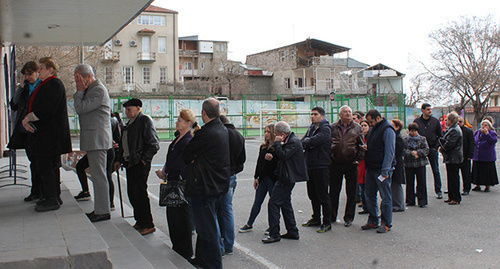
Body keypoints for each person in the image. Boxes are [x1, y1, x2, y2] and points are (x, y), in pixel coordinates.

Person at [182, 98, 230, 269]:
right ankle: (201, 259)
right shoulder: (222, 129)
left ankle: (214, 264)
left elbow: (187, 154)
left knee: (208, 230)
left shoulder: (206, 133)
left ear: (203, 113)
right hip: (217, 185)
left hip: (204, 186)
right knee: (205, 226)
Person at [21, 57, 72, 212]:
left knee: (46, 165)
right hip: (48, 134)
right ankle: (53, 196)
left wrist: (28, 118)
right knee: (50, 165)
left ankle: (51, 199)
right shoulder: (47, 84)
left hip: (50, 135)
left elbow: (47, 109)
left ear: (50, 69)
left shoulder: (54, 84)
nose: (39, 70)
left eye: (41, 67)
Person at [156, 109, 199, 261]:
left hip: (180, 184)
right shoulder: (178, 139)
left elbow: (182, 164)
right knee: (173, 218)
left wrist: (168, 173)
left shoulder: (187, 140)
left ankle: (185, 251)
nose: (176, 122)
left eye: (179, 120)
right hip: (173, 182)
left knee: (181, 219)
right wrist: (164, 171)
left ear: (188, 123)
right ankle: (177, 247)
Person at [73, 64, 113, 222]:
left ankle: (103, 211)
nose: (77, 82)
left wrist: (79, 90)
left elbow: (80, 108)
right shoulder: (93, 89)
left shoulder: (98, 89)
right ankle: (100, 209)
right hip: (94, 140)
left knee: (99, 176)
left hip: (97, 140)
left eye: (79, 78)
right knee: (97, 175)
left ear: (88, 76)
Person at [115, 98, 159, 235]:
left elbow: (153, 145)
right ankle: (139, 221)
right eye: (126, 110)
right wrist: (119, 159)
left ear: (138, 109)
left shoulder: (144, 121)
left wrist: (143, 160)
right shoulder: (129, 124)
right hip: (130, 163)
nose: (127, 112)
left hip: (139, 164)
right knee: (132, 193)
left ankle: (148, 223)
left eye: (129, 109)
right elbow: (124, 144)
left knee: (140, 194)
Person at [262, 121, 308, 243]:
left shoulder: (293, 141)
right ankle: (292, 230)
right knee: (285, 203)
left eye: (276, 134)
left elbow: (283, 155)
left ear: (282, 134)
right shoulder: (290, 140)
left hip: (287, 177)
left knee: (273, 203)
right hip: (285, 175)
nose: (275, 136)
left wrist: (277, 143)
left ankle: (274, 233)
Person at [8, 61, 42, 202]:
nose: (28, 77)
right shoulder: (25, 88)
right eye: (25, 75)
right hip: (25, 130)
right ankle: (35, 191)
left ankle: (41, 191)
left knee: (40, 162)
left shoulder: (42, 86)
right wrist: (20, 88)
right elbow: (14, 105)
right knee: (32, 161)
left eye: (30, 74)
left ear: (37, 72)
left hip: (38, 129)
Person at [74, 116, 121, 211]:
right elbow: (118, 138)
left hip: (103, 149)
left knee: (105, 176)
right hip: (102, 149)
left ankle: (109, 202)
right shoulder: (112, 120)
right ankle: (107, 201)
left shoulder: (104, 120)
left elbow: (117, 139)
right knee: (105, 175)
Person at [329, 105, 365, 227]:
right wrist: (330, 158)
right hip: (335, 164)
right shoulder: (333, 127)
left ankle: (349, 217)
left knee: (351, 192)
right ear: (340, 115)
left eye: (350, 112)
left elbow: (361, 145)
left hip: (351, 164)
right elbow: (328, 143)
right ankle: (332, 216)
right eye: (345, 112)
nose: (348, 114)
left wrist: (357, 160)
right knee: (334, 191)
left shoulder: (357, 127)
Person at [239, 123, 278, 233]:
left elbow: (280, 163)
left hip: (272, 178)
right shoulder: (263, 147)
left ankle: (273, 226)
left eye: (268, 132)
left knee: (273, 204)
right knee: (257, 201)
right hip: (263, 178)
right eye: (265, 131)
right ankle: (249, 223)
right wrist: (256, 177)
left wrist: (273, 159)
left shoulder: (277, 147)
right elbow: (259, 163)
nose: (266, 134)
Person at [362, 109, 395, 233]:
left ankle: (386, 223)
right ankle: (373, 220)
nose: (369, 125)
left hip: (382, 169)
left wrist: (385, 170)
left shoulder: (387, 129)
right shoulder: (373, 129)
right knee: (369, 195)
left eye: (371, 122)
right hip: (371, 167)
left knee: (385, 197)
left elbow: (390, 151)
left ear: (378, 118)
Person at [217, 115, 246, 255]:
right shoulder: (239, 136)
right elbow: (242, 160)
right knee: (227, 209)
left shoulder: (222, 135)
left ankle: (223, 243)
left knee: (219, 210)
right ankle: (228, 243)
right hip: (232, 175)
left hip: (221, 175)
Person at [300, 107, 332, 233]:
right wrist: (308, 143)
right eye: (311, 114)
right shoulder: (311, 128)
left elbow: (317, 140)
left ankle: (327, 222)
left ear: (322, 116)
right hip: (310, 165)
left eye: (315, 114)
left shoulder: (326, 128)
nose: (312, 116)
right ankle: (316, 218)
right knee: (312, 194)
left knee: (323, 195)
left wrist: (309, 142)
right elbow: (303, 141)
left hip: (322, 166)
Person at [414, 103, 444, 199]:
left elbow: (440, 135)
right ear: (422, 110)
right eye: (427, 109)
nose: (430, 111)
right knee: (419, 171)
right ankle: (419, 191)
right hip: (420, 149)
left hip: (432, 148)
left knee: (435, 170)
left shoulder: (435, 121)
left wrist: (436, 147)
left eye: (430, 109)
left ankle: (438, 190)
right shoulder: (417, 121)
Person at [403, 123, 429, 207]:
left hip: (420, 163)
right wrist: (411, 153)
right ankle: (410, 200)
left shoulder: (422, 139)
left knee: (421, 182)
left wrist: (418, 152)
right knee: (409, 183)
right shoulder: (405, 140)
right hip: (409, 164)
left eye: (415, 131)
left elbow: (426, 149)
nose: (413, 133)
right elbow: (403, 150)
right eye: (411, 131)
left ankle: (422, 201)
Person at [439, 112, 463, 205]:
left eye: (447, 119)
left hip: (454, 157)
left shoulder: (454, 130)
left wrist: (443, 148)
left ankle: (456, 197)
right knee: (451, 177)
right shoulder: (454, 128)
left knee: (454, 178)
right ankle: (451, 195)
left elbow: (450, 144)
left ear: (451, 120)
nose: (446, 121)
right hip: (452, 157)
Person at [471, 120, 499, 192]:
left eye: (486, 125)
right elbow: (474, 141)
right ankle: (477, 185)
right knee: (477, 170)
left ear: (489, 126)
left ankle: (487, 185)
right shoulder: (478, 132)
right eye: (482, 125)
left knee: (486, 171)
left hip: (487, 156)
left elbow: (493, 141)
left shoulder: (492, 133)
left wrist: (487, 134)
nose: (483, 127)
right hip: (478, 155)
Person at [390, 119, 405, 212]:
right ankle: (396, 203)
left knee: (396, 184)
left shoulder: (398, 137)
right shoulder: (396, 136)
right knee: (394, 184)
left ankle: (398, 204)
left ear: (397, 127)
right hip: (396, 162)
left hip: (397, 164)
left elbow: (396, 151)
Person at [458, 117, 475, 195]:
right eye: (457, 121)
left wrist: (470, 155)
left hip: (465, 155)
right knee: (454, 174)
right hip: (456, 156)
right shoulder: (453, 131)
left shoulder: (468, 131)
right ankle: (454, 188)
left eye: (460, 121)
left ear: (464, 122)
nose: (459, 123)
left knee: (466, 173)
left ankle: (466, 188)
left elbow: (472, 143)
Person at [358, 120, 370, 215]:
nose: (363, 127)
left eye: (365, 125)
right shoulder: (359, 137)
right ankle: (365, 206)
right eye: (362, 125)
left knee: (369, 188)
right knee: (362, 186)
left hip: (368, 164)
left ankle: (370, 207)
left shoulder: (370, 137)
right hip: (360, 165)